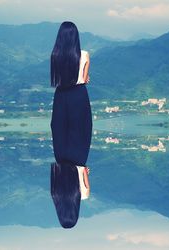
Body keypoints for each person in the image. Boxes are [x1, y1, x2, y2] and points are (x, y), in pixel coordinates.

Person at [50, 21, 93, 228]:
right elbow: (85, 79)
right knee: (82, 129)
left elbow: (85, 172)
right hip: (78, 95)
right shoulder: (83, 55)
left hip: (61, 96)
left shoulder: (55, 56)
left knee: (59, 128)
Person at [51, 162, 90, 228]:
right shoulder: (56, 195)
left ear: (75, 214)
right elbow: (54, 170)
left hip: (79, 160)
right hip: (60, 158)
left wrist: (85, 173)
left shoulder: (84, 195)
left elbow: (84, 169)